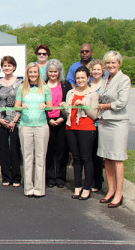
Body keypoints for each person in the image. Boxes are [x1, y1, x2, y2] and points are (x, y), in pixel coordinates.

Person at [97, 50, 130, 208]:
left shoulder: (124, 79)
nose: (110, 65)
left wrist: (103, 106)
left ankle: (119, 193)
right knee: (107, 158)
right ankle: (110, 190)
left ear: (119, 63)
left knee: (117, 158)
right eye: (108, 63)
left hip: (117, 123)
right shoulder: (105, 79)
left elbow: (121, 103)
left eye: (113, 62)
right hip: (104, 122)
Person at [15, 62, 53, 198]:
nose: (32, 74)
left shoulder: (46, 88)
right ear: (27, 74)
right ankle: (28, 188)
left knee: (40, 157)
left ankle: (39, 188)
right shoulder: (21, 88)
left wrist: (45, 106)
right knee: (27, 157)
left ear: (39, 73)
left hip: (41, 126)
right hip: (25, 126)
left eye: (35, 72)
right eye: (30, 72)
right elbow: (16, 107)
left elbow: (51, 107)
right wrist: (22, 106)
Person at [60, 66, 99, 201]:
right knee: (76, 158)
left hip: (87, 129)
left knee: (86, 157)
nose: (80, 80)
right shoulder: (70, 92)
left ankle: (87, 187)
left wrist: (83, 105)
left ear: (88, 78)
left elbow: (94, 115)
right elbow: (66, 113)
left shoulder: (92, 94)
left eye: (83, 77)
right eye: (78, 78)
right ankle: (77, 186)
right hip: (71, 128)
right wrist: (64, 108)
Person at [0, 56, 23, 187]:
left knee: (15, 148)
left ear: (14, 67)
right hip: (1, 121)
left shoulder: (20, 83)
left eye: (9, 65)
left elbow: (22, 102)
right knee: (4, 149)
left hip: (16, 121)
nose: (7, 68)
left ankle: (17, 177)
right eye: (5, 66)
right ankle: (6, 177)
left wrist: (15, 120)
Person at [44, 59, 71, 189]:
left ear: (59, 72)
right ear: (47, 72)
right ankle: (50, 178)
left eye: (55, 71)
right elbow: (39, 104)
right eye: (50, 71)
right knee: (48, 151)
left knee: (62, 152)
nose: (53, 74)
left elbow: (69, 103)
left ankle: (60, 177)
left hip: (62, 122)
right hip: (46, 122)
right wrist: (48, 119)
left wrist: (61, 118)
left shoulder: (66, 85)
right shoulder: (42, 85)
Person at [87, 59, 106, 192]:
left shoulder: (105, 84)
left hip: (101, 122)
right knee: (89, 152)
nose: (96, 71)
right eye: (94, 69)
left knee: (98, 155)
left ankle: (98, 182)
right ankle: (89, 179)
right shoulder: (88, 84)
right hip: (88, 122)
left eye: (98, 69)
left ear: (102, 71)